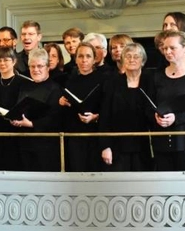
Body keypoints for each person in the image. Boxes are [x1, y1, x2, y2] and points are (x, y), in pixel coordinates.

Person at [99, 43, 154, 171]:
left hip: (144, 144)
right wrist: (105, 146)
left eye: (136, 56)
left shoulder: (151, 81)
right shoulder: (112, 83)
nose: (132, 59)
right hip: (117, 145)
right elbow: (105, 116)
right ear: (123, 60)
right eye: (128, 56)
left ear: (143, 61)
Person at [10, 49, 62, 172]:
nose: (35, 69)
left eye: (40, 66)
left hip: (45, 145)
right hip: (24, 142)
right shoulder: (24, 86)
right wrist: (15, 119)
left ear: (48, 67)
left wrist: (32, 124)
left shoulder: (55, 89)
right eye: (32, 66)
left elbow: (56, 118)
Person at [58, 43, 103, 172]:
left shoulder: (103, 80)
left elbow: (107, 107)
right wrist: (61, 102)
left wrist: (96, 117)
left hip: (95, 134)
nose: (84, 60)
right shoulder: (70, 80)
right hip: (74, 134)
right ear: (76, 59)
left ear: (94, 59)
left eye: (88, 56)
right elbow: (64, 110)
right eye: (80, 56)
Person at [0, 47, 28, 171]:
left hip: (15, 133)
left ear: (14, 61)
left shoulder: (23, 83)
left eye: (6, 60)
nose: (2, 63)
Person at [152, 30, 185, 171]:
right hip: (162, 140)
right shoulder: (158, 76)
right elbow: (149, 105)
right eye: (165, 48)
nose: (167, 52)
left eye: (172, 48)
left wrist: (176, 118)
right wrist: (155, 116)